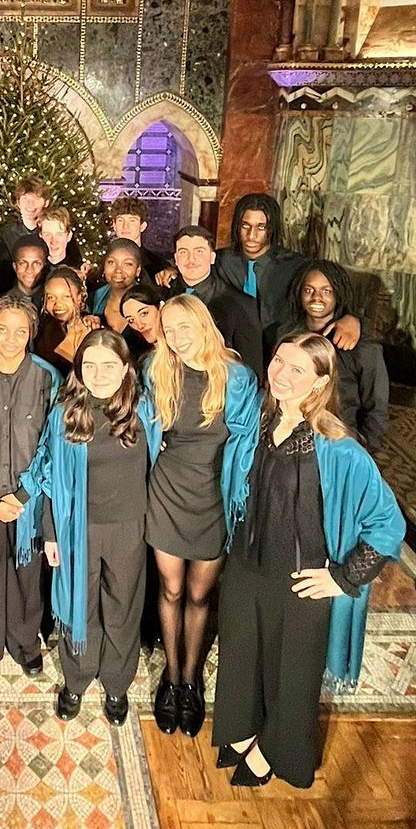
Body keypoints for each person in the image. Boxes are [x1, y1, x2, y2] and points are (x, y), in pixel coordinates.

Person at [211, 331, 405, 788]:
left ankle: (277, 751)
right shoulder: (253, 425)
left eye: (298, 369)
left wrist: (342, 578)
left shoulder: (340, 448)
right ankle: (241, 731)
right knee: (241, 655)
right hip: (245, 565)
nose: (281, 374)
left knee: (292, 671)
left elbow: (387, 524)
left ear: (320, 383)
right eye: (278, 361)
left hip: (301, 577)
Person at [145, 295, 260, 738]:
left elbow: (248, 441)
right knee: (170, 589)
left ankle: (192, 679)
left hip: (215, 494)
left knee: (198, 596)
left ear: (203, 324)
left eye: (183, 327)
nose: (176, 338)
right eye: (168, 330)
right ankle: (171, 679)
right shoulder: (156, 371)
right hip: (168, 492)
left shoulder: (236, 377)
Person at [39, 329, 159, 724]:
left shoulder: (146, 412)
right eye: (89, 365)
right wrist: (52, 532)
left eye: (109, 365)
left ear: (126, 368)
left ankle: (117, 684)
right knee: (80, 606)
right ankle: (76, 679)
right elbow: (50, 476)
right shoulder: (65, 413)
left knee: (123, 609)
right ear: (78, 369)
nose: (99, 373)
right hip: (79, 529)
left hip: (130, 528)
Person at [0, 296, 59, 679]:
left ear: (31, 333)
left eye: (21, 330)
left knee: (27, 572)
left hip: (29, 497)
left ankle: (24, 642)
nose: (11, 338)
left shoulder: (47, 377)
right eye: (3, 329)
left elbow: (53, 442)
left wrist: (21, 495)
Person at [214, 193, 361, 354]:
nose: (251, 235)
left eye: (261, 227)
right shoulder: (220, 261)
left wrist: (354, 320)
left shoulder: (297, 266)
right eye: (245, 225)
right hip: (229, 353)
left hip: (282, 353)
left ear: (272, 228)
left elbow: (334, 298)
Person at [277, 260, 389, 453]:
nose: (316, 298)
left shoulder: (362, 348)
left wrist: (363, 453)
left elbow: (377, 408)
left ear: (338, 294)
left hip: (338, 442)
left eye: (326, 291)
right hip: (292, 440)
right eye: (309, 290)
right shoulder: (287, 335)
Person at [167, 226, 265, 382]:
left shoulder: (240, 304)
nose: (191, 259)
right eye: (183, 252)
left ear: (212, 257)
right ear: (176, 259)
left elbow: (251, 369)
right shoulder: (165, 295)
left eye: (199, 251)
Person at [36, 265, 98, 369]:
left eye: (66, 297)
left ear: (79, 297)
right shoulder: (40, 332)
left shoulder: (93, 331)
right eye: (51, 297)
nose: (58, 304)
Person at [90, 239, 142, 335]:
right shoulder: (93, 300)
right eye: (111, 262)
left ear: (138, 270)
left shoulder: (149, 302)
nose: (118, 270)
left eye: (127, 264)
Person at [107, 195, 168, 278]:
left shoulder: (159, 265)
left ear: (142, 226)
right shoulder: (102, 263)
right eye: (120, 220)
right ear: (114, 226)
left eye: (132, 221)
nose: (125, 226)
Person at [0, 175, 49, 258]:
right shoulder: (7, 235)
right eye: (25, 199)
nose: (30, 204)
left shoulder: (53, 234)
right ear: (18, 203)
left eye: (36, 199)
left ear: (46, 203)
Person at [119, 284, 163, 362]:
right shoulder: (144, 361)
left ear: (160, 307)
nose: (140, 325)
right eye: (131, 320)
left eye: (144, 314)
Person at [11, 234, 49, 311]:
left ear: (45, 266)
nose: (29, 270)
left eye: (37, 263)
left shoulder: (51, 302)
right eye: (23, 263)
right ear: (15, 266)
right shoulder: (2, 303)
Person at [40, 206, 84, 271]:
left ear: (69, 236)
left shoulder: (79, 272)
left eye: (59, 234)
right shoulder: (32, 272)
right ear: (40, 236)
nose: (53, 241)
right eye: (47, 235)